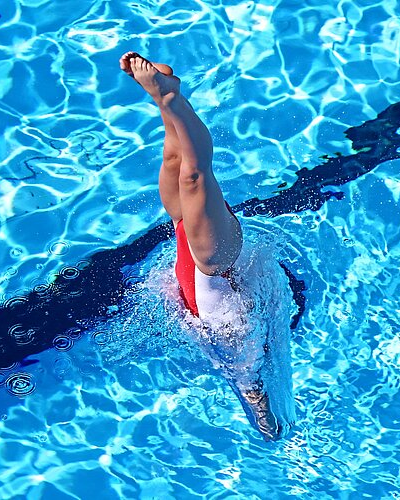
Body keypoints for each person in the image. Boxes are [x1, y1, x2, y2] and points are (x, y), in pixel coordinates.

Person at [119, 52, 284, 440]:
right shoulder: (243, 357)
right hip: (214, 262)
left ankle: (164, 99)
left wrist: (264, 420)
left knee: (175, 160)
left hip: (187, 243)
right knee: (195, 175)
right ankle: (171, 99)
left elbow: (253, 393)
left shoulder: (237, 359)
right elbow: (254, 393)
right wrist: (266, 422)